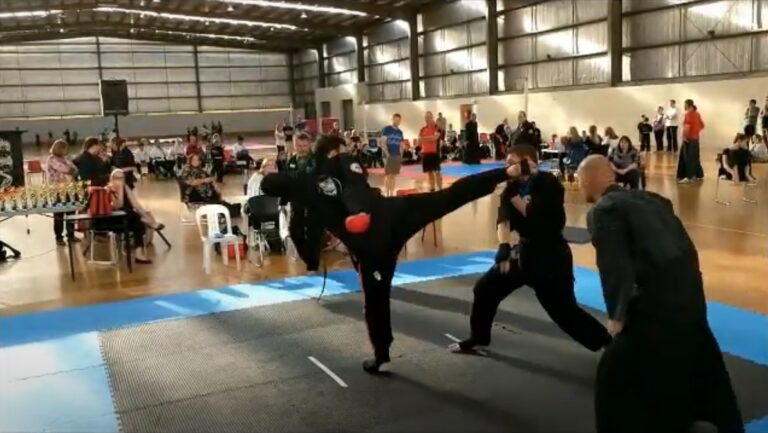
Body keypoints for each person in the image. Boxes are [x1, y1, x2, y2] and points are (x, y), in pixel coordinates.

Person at [260, 134, 516, 374]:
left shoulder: (306, 182)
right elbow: (352, 188)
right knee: (448, 197)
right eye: (343, 150)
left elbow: (288, 202)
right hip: (390, 220)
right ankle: (505, 173)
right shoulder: (338, 164)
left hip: (373, 240)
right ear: (334, 151)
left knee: (375, 302)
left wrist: (312, 256)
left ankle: (381, 355)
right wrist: (357, 211)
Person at [577, 155, 744, 433]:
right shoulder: (652, 199)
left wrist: (617, 315)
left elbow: (615, 265)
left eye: (580, 179)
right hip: (690, 290)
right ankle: (718, 420)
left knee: (614, 370)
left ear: (589, 179)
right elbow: (681, 245)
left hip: (657, 299)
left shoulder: (603, 210)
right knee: (698, 356)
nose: (579, 184)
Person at [449, 145, 611, 355]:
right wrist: (504, 246)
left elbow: (535, 215)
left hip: (551, 259)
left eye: (512, 162)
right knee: (485, 289)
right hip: (523, 254)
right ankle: (478, 338)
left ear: (528, 162)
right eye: (507, 163)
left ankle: (610, 344)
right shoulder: (511, 188)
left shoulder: (548, 183)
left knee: (565, 313)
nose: (508, 168)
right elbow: (503, 222)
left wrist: (514, 195)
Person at [282, 133, 324, 273]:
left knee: (314, 235)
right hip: (297, 203)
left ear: (310, 145)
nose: (302, 149)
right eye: (299, 146)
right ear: (294, 145)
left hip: (315, 203)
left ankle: (313, 267)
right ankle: (308, 259)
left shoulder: (317, 160)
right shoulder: (291, 161)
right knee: (295, 233)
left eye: (304, 146)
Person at [106, 169, 159, 264]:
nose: (119, 180)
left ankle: (139, 253)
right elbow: (118, 205)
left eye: (122, 178)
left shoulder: (126, 187)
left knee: (137, 220)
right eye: (117, 178)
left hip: (130, 217)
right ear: (111, 179)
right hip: (115, 218)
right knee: (132, 215)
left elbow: (136, 205)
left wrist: (146, 215)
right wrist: (120, 190)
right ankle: (146, 222)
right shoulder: (108, 189)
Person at [47, 139, 80, 246]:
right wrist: (70, 171)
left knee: (71, 213)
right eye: (65, 148)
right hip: (58, 190)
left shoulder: (66, 159)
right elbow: (65, 169)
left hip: (70, 189)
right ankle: (59, 237)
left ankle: (70, 235)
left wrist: (71, 170)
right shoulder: (52, 159)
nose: (67, 150)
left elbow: (75, 170)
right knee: (59, 215)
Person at [678, 99, 705, 184]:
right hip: (696, 139)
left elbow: (687, 126)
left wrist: (685, 137)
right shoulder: (697, 114)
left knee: (688, 158)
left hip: (689, 139)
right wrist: (696, 131)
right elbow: (702, 125)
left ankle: (689, 177)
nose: (684, 106)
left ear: (687, 105)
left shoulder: (688, 114)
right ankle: (698, 175)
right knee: (695, 157)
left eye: (684, 104)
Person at [381, 113, 404, 197]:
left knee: (394, 176)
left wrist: (401, 156)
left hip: (396, 155)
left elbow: (401, 145)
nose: (397, 122)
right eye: (395, 120)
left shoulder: (400, 132)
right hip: (388, 155)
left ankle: (392, 194)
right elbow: (383, 143)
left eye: (398, 120)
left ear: (400, 121)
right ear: (392, 119)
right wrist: (387, 154)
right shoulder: (387, 129)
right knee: (388, 175)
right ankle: (387, 194)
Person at [419, 111, 442, 191]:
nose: (427, 119)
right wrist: (429, 138)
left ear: (432, 117)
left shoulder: (437, 127)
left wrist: (424, 138)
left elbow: (435, 138)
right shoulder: (422, 129)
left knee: (437, 172)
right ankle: (432, 189)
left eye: (429, 117)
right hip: (426, 153)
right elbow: (420, 140)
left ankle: (440, 189)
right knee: (429, 172)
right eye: (426, 118)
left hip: (435, 153)